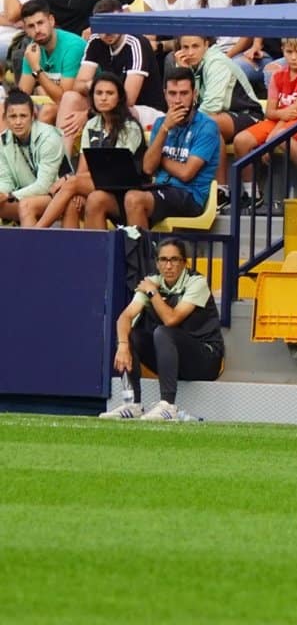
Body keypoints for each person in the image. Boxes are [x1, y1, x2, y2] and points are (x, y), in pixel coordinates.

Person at [100, 239, 224, 422]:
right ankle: (132, 403)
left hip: (205, 359)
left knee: (163, 332)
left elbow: (171, 319)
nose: (168, 266)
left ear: (184, 263)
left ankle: (168, 405)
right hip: (173, 359)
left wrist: (153, 293)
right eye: (163, 260)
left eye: (174, 260)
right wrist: (123, 345)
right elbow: (124, 317)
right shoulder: (152, 282)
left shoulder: (196, 282)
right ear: (157, 263)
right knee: (128, 334)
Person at [84, 67, 219, 231]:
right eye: (172, 93)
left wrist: (159, 159)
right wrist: (164, 129)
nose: (177, 100)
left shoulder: (207, 127)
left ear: (194, 94)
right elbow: (148, 167)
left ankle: (140, 256)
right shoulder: (161, 123)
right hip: (159, 189)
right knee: (96, 199)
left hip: (189, 195)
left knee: (134, 199)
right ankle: (99, 257)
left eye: (184, 93)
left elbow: (186, 173)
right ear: (165, 94)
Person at [38, 70, 145, 229]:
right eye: (99, 93)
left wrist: (73, 182)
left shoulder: (129, 127)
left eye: (109, 93)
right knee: (73, 202)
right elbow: (83, 168)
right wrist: (81, 189)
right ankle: (73, 253)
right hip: (98, 185)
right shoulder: (91, 124)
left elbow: (116, 169)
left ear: (119, 97)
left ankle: (37, 230)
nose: (103, 97)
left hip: (125, 187)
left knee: (71, 182)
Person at [228, 37, 297, 207]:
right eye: (289, 52)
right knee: (241, 140)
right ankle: (252, 194)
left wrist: (270, 140)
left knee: (280, 136)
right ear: (282, 50)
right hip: (280, 119)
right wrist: (278, 118)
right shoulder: (278, 74)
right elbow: (270, 111)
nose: (294, 57)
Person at [68, 0, 155, 138]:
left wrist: (88, 113)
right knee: (70, 97)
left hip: (143, 109)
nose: (107, 32)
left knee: (118, 111)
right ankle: (63, 157)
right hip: (108, 102)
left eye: (112, 24)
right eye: (102, 26)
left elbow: (129, 99)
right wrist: (93, 85)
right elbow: (78, 85)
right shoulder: (96, 40)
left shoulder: (136, 43)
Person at [0, 89, 68, 226]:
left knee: (26, 205)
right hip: (25, 195)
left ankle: (30, 248)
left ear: (33, 116)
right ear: (5, 118)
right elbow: (6, 180)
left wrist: (10, 195)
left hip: (57, 196)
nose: (18, 122)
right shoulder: (2, 141)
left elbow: (44, 186)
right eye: (13, 117)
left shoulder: (49, 138)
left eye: (23, 116)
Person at [15, 0, 89, 114]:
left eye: (40, 23)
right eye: (31, 26)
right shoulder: (32, 50)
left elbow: (63, 100)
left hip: (86, 106)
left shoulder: (73, 47)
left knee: (47, 111)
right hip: (54, 102)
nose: (37, 30)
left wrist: (36, 68)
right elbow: (21, 98)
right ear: (25, 30)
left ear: (51, 20)